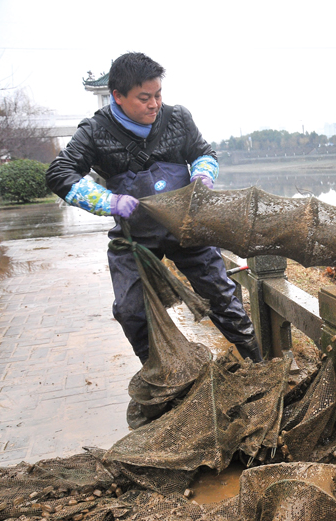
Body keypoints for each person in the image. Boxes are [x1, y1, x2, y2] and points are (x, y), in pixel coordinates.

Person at [46, 52, 262, 365]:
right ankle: (161, 374)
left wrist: (202, 174)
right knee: (131, 311)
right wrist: (109, 201)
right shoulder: (94, 131)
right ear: (117, 96)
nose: (154, 104)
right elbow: (58, 173)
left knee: (222, 297)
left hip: (187, 226)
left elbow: (205, 154)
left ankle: (255, 359)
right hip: (136, 236)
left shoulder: (178, 118)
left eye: (158, 95)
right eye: (144, 98)